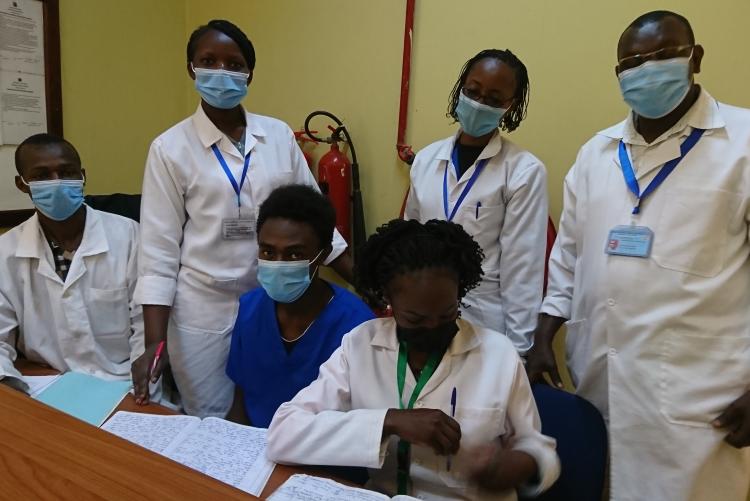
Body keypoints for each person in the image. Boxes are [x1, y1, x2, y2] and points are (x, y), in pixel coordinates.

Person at [527, 10, 750, 501]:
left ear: (695, 57)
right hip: (599, 381)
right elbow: (567, 257)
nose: (646, 69)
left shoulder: (742, 144)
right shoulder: (596, 154)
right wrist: (543, 336)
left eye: (663, 55)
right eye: (632, 62)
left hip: (700, 398)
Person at [132, 20, 352, 417]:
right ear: (191, 69)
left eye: (234, 64)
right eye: (209, 61)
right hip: (204, 308)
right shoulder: (169, 149)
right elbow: (158, 253)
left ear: (250, 73)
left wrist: (371, 284)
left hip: (273, 304)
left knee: (273, 415)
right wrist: (154, 343)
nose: (222, 71)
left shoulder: (278, 135)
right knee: (214, 420)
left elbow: (318, 223)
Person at [267, 219, 559, 500]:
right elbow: (284, 433)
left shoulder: (498, 355)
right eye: (415, 319)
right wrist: (389, 421)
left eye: (447, 315)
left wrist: (519, 465)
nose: (433, 328)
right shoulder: (360, 346)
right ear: (388, 302)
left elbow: (538, 448)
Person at [404, 49, 548, 354]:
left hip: (486, 320)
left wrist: (519, 352)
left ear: (510, 106)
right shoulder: (427, 160)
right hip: (422, 314)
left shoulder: (523, 171)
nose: (480, 103)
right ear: (461, 90)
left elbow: (523, 270)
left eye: (494, 99)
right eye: (473, 91)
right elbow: (408, 243)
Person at [0, 134, 143, 391]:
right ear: (22, 184)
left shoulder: (129, 235)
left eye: (66, 172)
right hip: (46, 385)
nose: (57, 183)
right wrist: (9, 383)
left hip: (122, 384)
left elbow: (146, 325)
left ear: (82, 176)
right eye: (42, 176)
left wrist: (140, 385)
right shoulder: (5, 252)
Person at [225, 184, 374, 427]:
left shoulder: (357, 325)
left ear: (323, 254)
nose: (278, 263)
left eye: (294, 255)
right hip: (255, 451)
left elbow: (362, 424)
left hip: (324, 459)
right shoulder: (250, 309)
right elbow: (240, 404)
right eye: (268, 252)